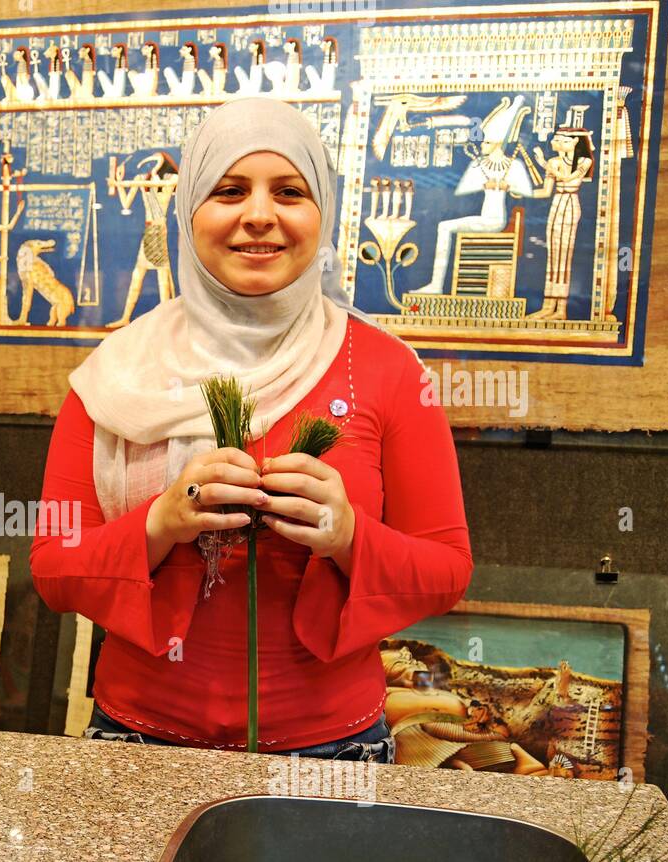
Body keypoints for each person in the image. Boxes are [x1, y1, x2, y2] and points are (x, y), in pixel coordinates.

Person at [30, 98, 472, 760]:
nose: (259, 215)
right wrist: (161, 524)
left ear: (321, 214)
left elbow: (446, 570)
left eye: (289, 192)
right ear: (188, 213)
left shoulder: (387, 370)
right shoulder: (117, 375)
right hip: (139, 741)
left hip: (331, 752)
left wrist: (349, 537)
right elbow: (55, 568)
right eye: (229, 190)